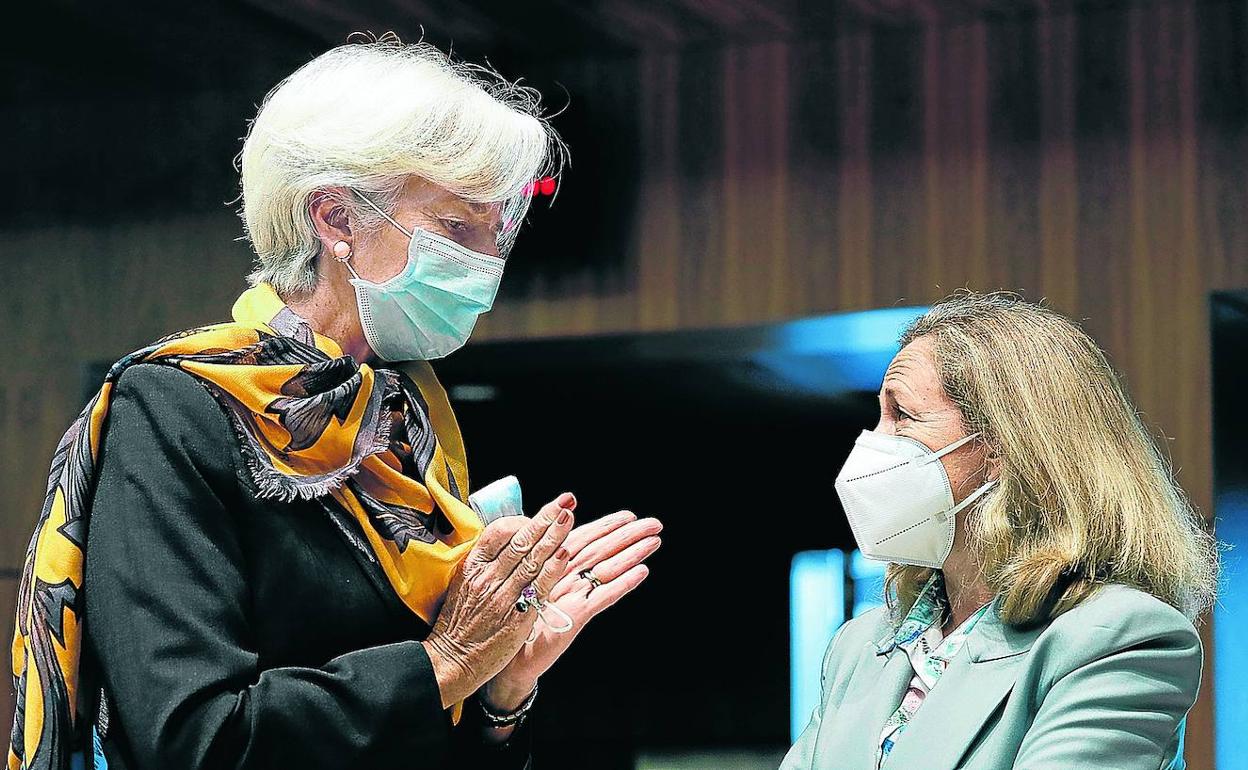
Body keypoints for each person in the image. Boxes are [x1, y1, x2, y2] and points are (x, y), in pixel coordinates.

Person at [9, 36, 663, 770]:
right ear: (337, 219)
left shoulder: (408, 421)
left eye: (498, 230)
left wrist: (499, 690)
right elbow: (193, 740)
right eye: (457, 227)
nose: (487, 263)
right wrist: (444, 663)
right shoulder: (175, 410)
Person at [783, 292, 1218, 770]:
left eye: (902, 416)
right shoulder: (858, 646)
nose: (873, 442)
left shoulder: (1119, 637)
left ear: (1006, 446)